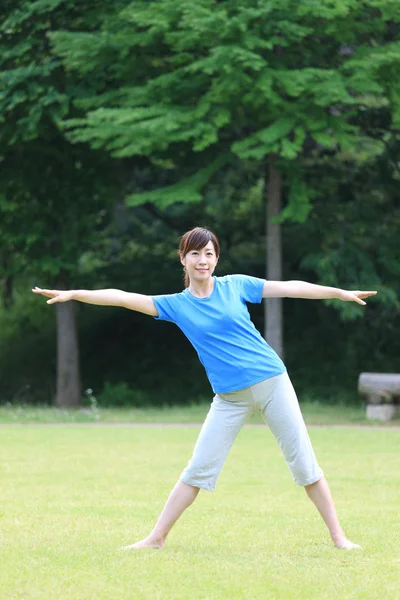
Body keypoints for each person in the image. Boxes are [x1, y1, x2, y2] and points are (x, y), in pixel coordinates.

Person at [32, 226, 377, 551]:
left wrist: (339, 293)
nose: (203, 260)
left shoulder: (235, 286)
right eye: (195, 253)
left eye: (209, 253)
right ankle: (155, 539)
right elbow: (122, 297)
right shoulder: (175, 305)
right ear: (183, 258)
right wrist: (75, 293)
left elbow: (291, 287)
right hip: (229, 398)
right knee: (197, 470)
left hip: (272, 382)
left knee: (304, 464)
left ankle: (339, 538)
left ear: (216, 258)